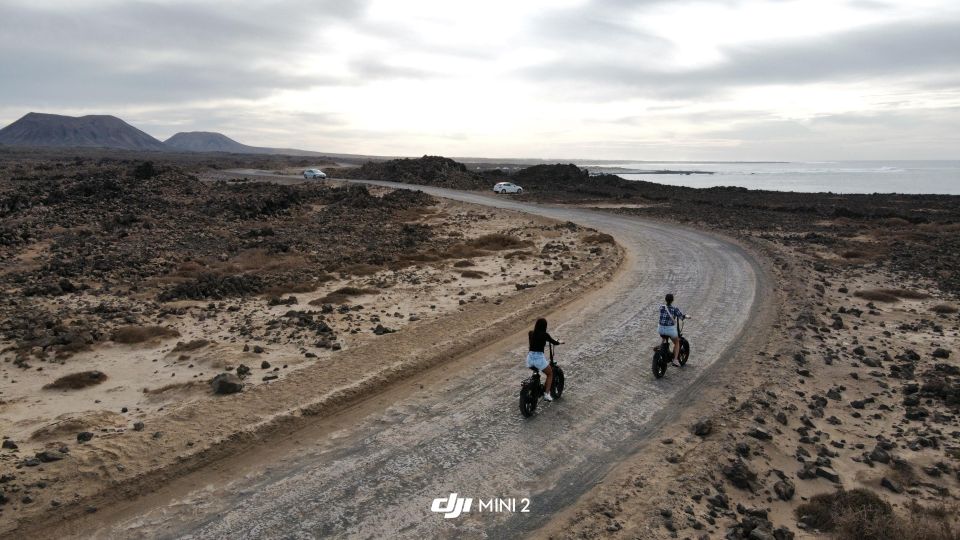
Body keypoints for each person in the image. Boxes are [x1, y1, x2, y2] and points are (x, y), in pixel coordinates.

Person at [527, 318, 562, 401]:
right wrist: (559, 342)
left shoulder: (531, 333)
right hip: (539, 359)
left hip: (529, 358)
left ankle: (535, 385)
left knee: (536, 370)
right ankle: (546, 394)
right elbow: (554, 342)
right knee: (550, 374)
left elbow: (532, 343)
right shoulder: (545, 335)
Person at [658, 293, 690, 367]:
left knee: (664, 336)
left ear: (665, 299)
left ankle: (661, 346)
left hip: (660, 329)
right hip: (669, 330)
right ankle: (675, 360)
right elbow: (681, 317)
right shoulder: (674, 309)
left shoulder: (661, 307)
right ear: (672, 300)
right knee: (677, 342)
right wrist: (687, 316)